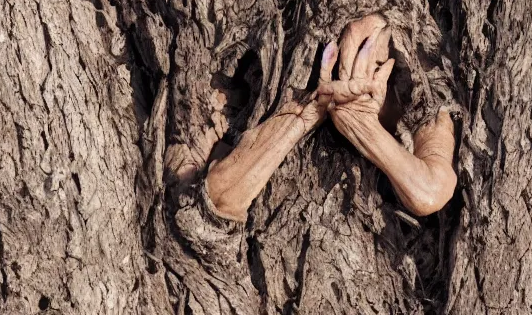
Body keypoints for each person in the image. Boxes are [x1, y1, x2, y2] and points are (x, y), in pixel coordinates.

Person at [195, 13, 456, 222]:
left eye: (372, 62)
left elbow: (430, 190)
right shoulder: (229, 78)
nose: (352, 73)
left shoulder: (420, 90)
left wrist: (363, 126)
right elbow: (221, 197)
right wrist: (305, 115)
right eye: (343, 59)